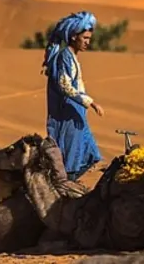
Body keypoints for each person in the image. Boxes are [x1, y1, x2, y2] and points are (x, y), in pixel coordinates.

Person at [42, 11, 105, 181]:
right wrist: (91, 103)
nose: (87, 42)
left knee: (90, 153)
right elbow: (65, 85)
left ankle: (69, 182)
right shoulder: (64, 57)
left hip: (76, 111)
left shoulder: (72, 57)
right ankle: (65, 184)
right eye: (84, 38)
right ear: (72, 37)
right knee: (70, 154)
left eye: (89, 38)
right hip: (67, 113)